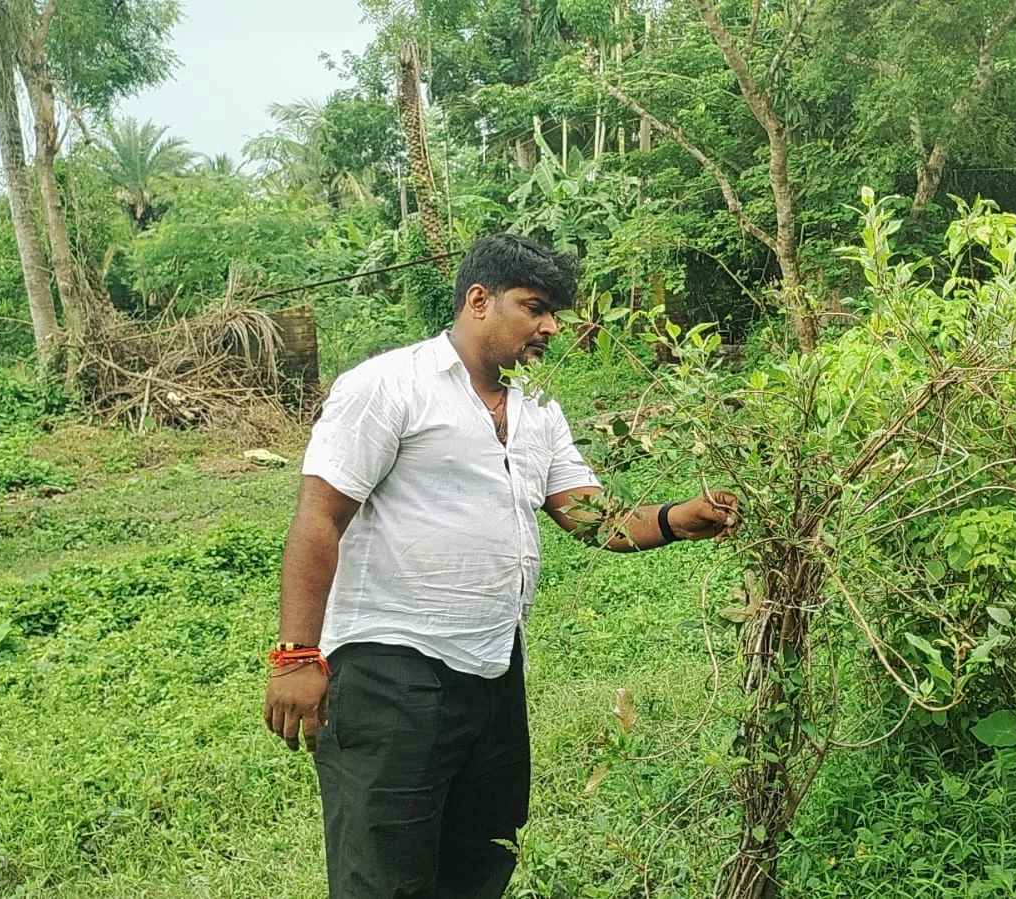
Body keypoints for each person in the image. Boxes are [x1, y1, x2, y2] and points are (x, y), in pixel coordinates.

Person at [261, 233, 740, 899]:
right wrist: (295, 656)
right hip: (391, 670)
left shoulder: (537, 406)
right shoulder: (388, 385)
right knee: (384, 876)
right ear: (478, 300)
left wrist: (675, 517)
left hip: (493, 670)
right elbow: (320, 515)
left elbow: (589, 514)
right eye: (535, 306)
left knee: (481, 861)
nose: (549, 327)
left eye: (555, 314)